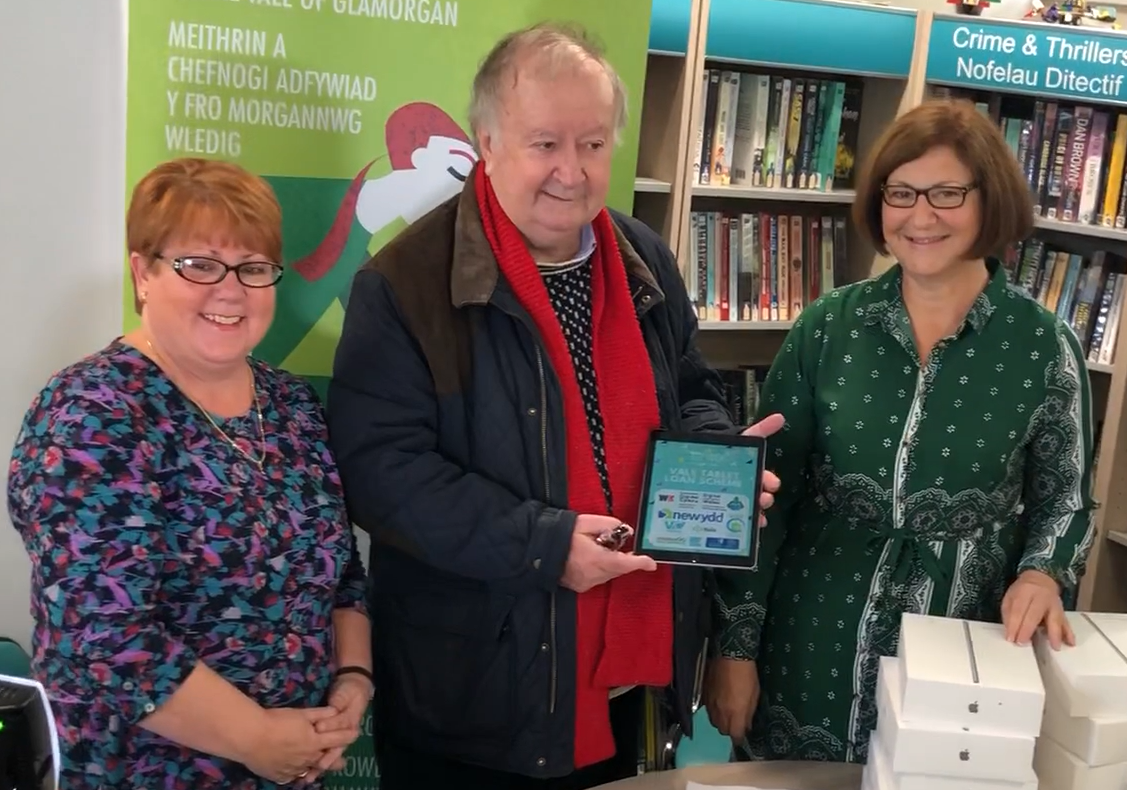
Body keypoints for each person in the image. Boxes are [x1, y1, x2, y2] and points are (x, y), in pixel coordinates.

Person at [326, 22, 782, 790]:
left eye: (593, 145)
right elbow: (381, 473)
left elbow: (690, 385)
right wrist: (544, 546)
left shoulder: (644, 258)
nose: (570, 172)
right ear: (487, 142)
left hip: (626, 679)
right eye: (544, 144)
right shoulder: (403, 284)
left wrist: (722, 461)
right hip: (476, 701)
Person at [704, 98, 1096, 765]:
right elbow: (763, 500)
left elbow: (1064, 498)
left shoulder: (1044, 346)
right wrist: (733, 649)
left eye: (946, 193)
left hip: (960, 662)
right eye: (901, 193)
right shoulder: (826, 327)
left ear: (988, 201)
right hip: (807, 649)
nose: (919, 217)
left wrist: (1041, 574)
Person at [6, 157, 372, 789]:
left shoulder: (291, 407)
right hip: (142, 773)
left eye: (253, 268)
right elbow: (107, 637)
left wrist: (352, 681)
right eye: (198, 264)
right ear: (142, 273)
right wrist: (260, 739)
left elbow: (342, 573)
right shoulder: (91, 412)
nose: (230, 290)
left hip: (291, 769)